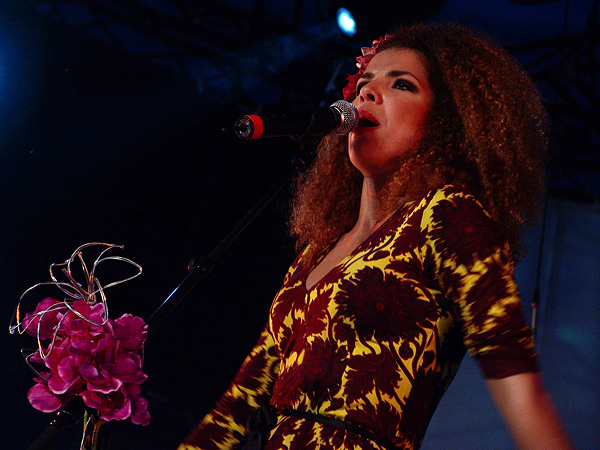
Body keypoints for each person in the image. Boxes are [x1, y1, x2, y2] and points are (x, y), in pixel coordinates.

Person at [177, 23, 573, 450]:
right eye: (363, 84)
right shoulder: (315, 252)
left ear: (447, 123)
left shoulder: (446, 214)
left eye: (402, 84)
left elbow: (516, 376)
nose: (366, 94)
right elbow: (238, 405)